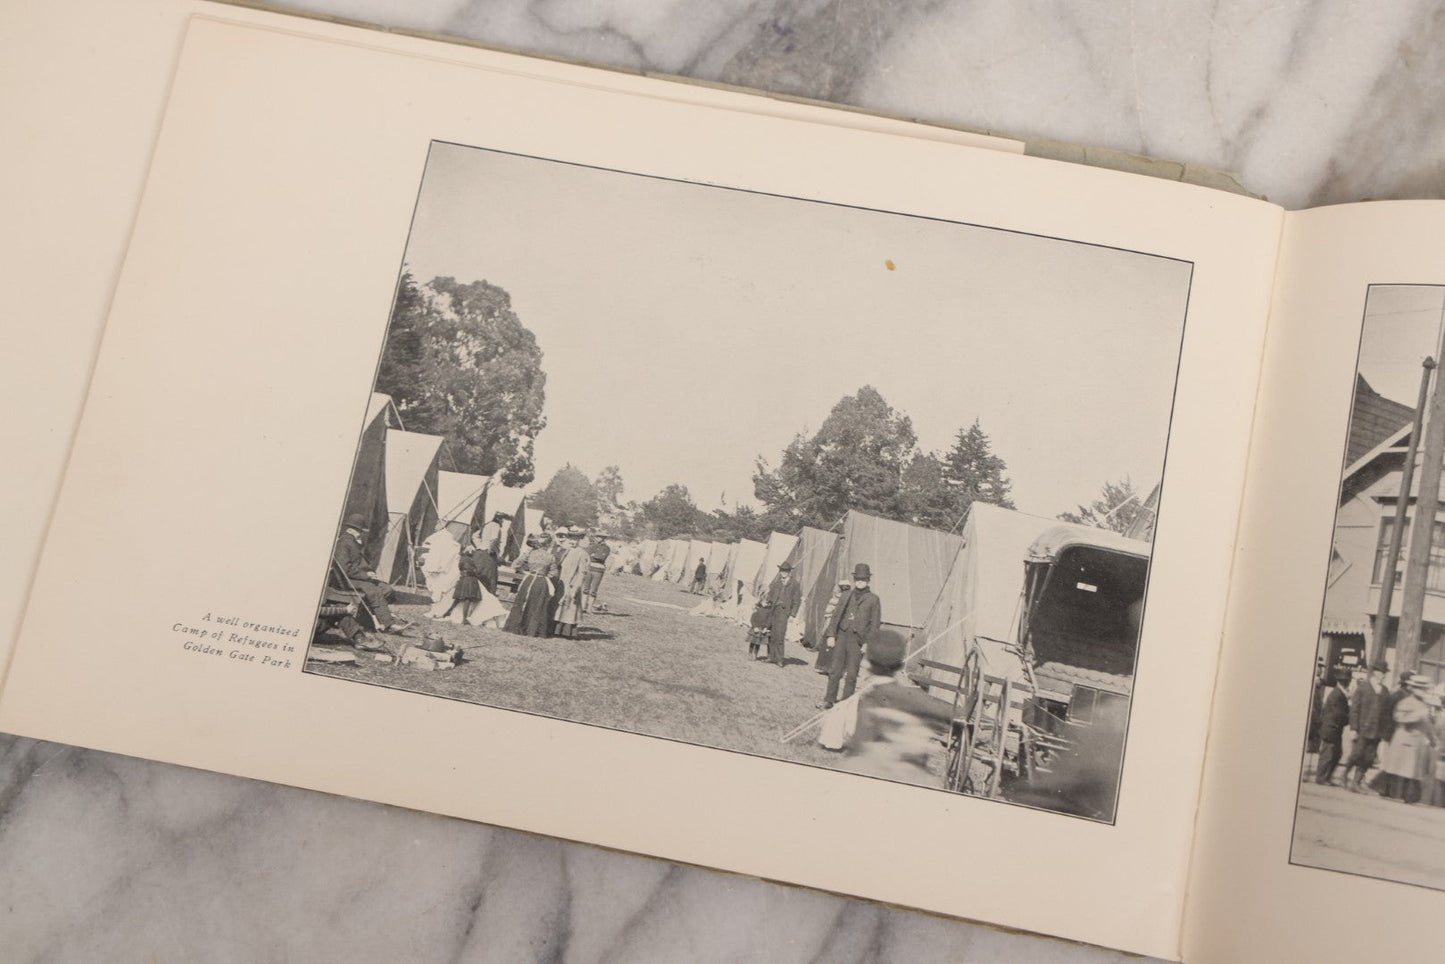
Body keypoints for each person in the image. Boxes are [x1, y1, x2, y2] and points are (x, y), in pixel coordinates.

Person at [330, 513, 409, 648]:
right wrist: (367, 576)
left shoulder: (354, 543)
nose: (361, 534)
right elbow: (345, 569)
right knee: (373, 591)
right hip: (344, 580)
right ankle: (388, 624)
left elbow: (358, 564)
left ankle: (368, 620)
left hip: (357, 577)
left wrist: (369, 572)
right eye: (359, 531)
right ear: (350, 530)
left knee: (387, 589)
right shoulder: (343, 543)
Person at [820, 563, 881, 708]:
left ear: (868, 581)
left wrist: (868, 643)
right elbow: (836, 616)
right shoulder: (846, 595)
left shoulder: (873, 599)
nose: (860, 581)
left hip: (857, 641)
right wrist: (831, 635)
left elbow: (875, 624)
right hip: (842, 636)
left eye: (863, 579)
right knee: (834, 670)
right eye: (858, 579)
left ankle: (845, 704)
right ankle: (829, 700)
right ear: (854, 580)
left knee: (852, 675)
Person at [1380, 674, 1437, 804]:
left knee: (1412, 771)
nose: (1424, 692)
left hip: (1416, 744)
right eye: (1421, 689)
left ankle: (1409, 796)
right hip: (1404, 741)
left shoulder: (1424, 705)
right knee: (1399, 769)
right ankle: (1388, 791)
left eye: (1425, 689)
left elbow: (1427, 725)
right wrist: (1415, 716)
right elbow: (1398, 717)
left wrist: (1433, 741)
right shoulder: (1406, 702)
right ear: (1414, 689)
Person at [1343, 665, 1389, 791]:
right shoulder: (1363, 688)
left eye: (1385, 673)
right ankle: (1345, 774)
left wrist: (1384, 732)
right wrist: (1354, 728)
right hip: (1362, 730)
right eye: (1382, 672)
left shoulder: (1385, 691)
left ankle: (1356, 782)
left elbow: (1386, 714)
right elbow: (1354, 709)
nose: (1384, 675)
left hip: (1376, 732)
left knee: (1368, 758)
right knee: (1356, 755)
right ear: (1375, 672)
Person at [502, 534, 557, 637]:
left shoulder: (530, 553)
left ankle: (516, 627)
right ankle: (532, 630)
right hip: (541, 582)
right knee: (537, 606)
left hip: (529, 579)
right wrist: (545, 575)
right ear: (548, 544)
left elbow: (515, 564)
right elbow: (554, 573)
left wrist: (525, 572)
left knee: (523, 602)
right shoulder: (551, 557)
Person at [762, 561, 802, 667]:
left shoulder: (794, 584)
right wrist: (767, 600)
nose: (783, 573)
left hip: (784, 612)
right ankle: (770, 656)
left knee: (780, 635)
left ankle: (779, 659)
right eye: (782, 571)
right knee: (771, 634)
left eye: (786, 571)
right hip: (773, 610)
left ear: (789, 572)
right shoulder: (777, 583)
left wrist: (793, 614)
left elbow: (797, 600)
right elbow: (771, 595)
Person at [1314, 670, 1350, 785]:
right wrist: (1349, 718)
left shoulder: (1339, 693)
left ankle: (1326, 777)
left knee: (1336, 753)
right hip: (1331, 728)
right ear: (1342, 682)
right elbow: (1338, 713)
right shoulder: (1337, 694)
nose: (1348, 682)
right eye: (1346, 680)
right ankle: (1321, 778)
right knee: (1328, 754)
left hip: (1334, 728)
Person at [555, 529, 590, 639]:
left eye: (574, 539)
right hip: (561, 582)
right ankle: (555, 629)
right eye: (570, 539)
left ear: (579, 540)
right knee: (559, 606)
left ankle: (567, 631)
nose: (571, 541)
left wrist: (576, 587)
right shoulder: (566, 551)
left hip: (572, 584)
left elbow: (582, 573)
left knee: (570, 607)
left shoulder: (582, 553)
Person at [813, 578, 851, 675]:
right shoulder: (838, 597)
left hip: (838, 623)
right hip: (832, 622)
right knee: (828, 645)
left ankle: (829, 667)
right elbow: (829, 610)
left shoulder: (846, 598)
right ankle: (825, 666)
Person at [582, 533, 611, 614]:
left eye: (601, 537)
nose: (598, 538)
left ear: (604, 538)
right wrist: (592, 555)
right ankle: (583, 607)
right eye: (597, 536)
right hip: (589, 568)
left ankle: (589, 609)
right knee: (585, 588)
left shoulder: (606, 548)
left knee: (593, 590)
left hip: (598, 570)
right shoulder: (591, 545)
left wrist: (592, 555)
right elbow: (585, 554)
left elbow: (600, 557)